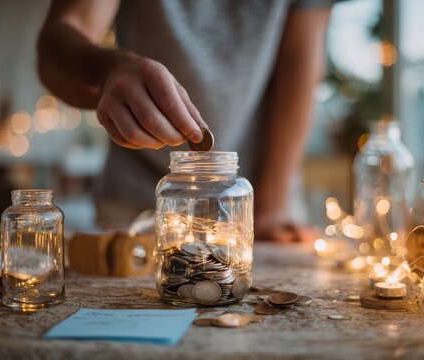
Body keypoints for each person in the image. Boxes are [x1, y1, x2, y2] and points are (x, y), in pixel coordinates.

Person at [37, 0, 333, 242]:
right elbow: (59, 41)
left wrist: (272, 204)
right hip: (138, 206)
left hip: (267, 200)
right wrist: (106, 69)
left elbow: (300, 58)